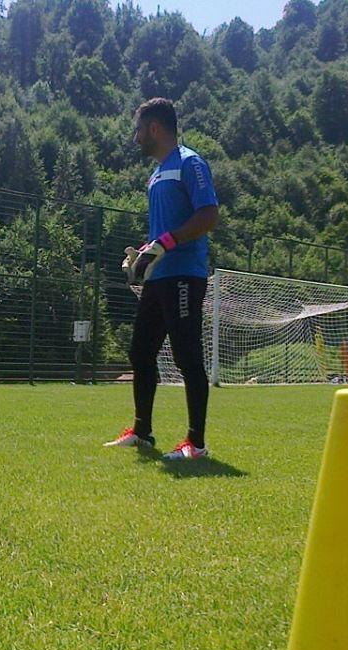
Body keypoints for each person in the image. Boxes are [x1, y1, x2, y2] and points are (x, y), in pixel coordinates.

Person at [105, 98, 220, 460]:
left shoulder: (190, 163)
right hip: (158, 277)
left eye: (138, 129)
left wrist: (168, 242)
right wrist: (145, 252)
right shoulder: (156, 174)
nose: (135, 138)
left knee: (187, 356)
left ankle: (196, 444)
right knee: (140, 352)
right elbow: (163, 231)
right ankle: (142, 432)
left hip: (185, 274)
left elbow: (208, 215)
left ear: (154, 128)